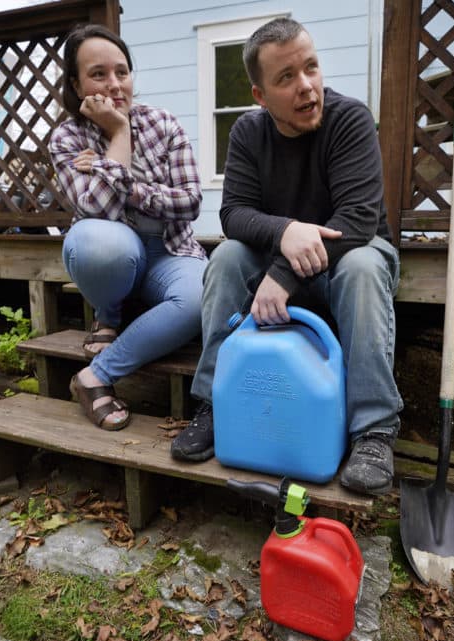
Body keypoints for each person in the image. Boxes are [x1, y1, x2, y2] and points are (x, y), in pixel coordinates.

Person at [170, 17, 403, 496]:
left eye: (311, 68)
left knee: (362, 266)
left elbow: (358, 219)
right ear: (260, 96)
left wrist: (282, 275)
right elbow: (234, 214)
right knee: (228, 257)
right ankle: (218, 403)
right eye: (286, 78)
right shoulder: (247, 134)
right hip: (286, 261)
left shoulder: (350, 119)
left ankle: (375, 431)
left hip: (350, 256)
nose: (307, 87)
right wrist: (287, 231)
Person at [50, 24, 208, 431]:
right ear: (76, 82)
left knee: (198, 299)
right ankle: (109, 314)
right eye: (98, 74)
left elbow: (190, 202)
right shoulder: (67, 138)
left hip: (170, 251)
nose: (115, 84)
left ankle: (95, 376)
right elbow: (96, 211)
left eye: (122, 71)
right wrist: (118, 135)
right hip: (114, 256)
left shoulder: (163, 124)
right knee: (102, 242)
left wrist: (118, 178)